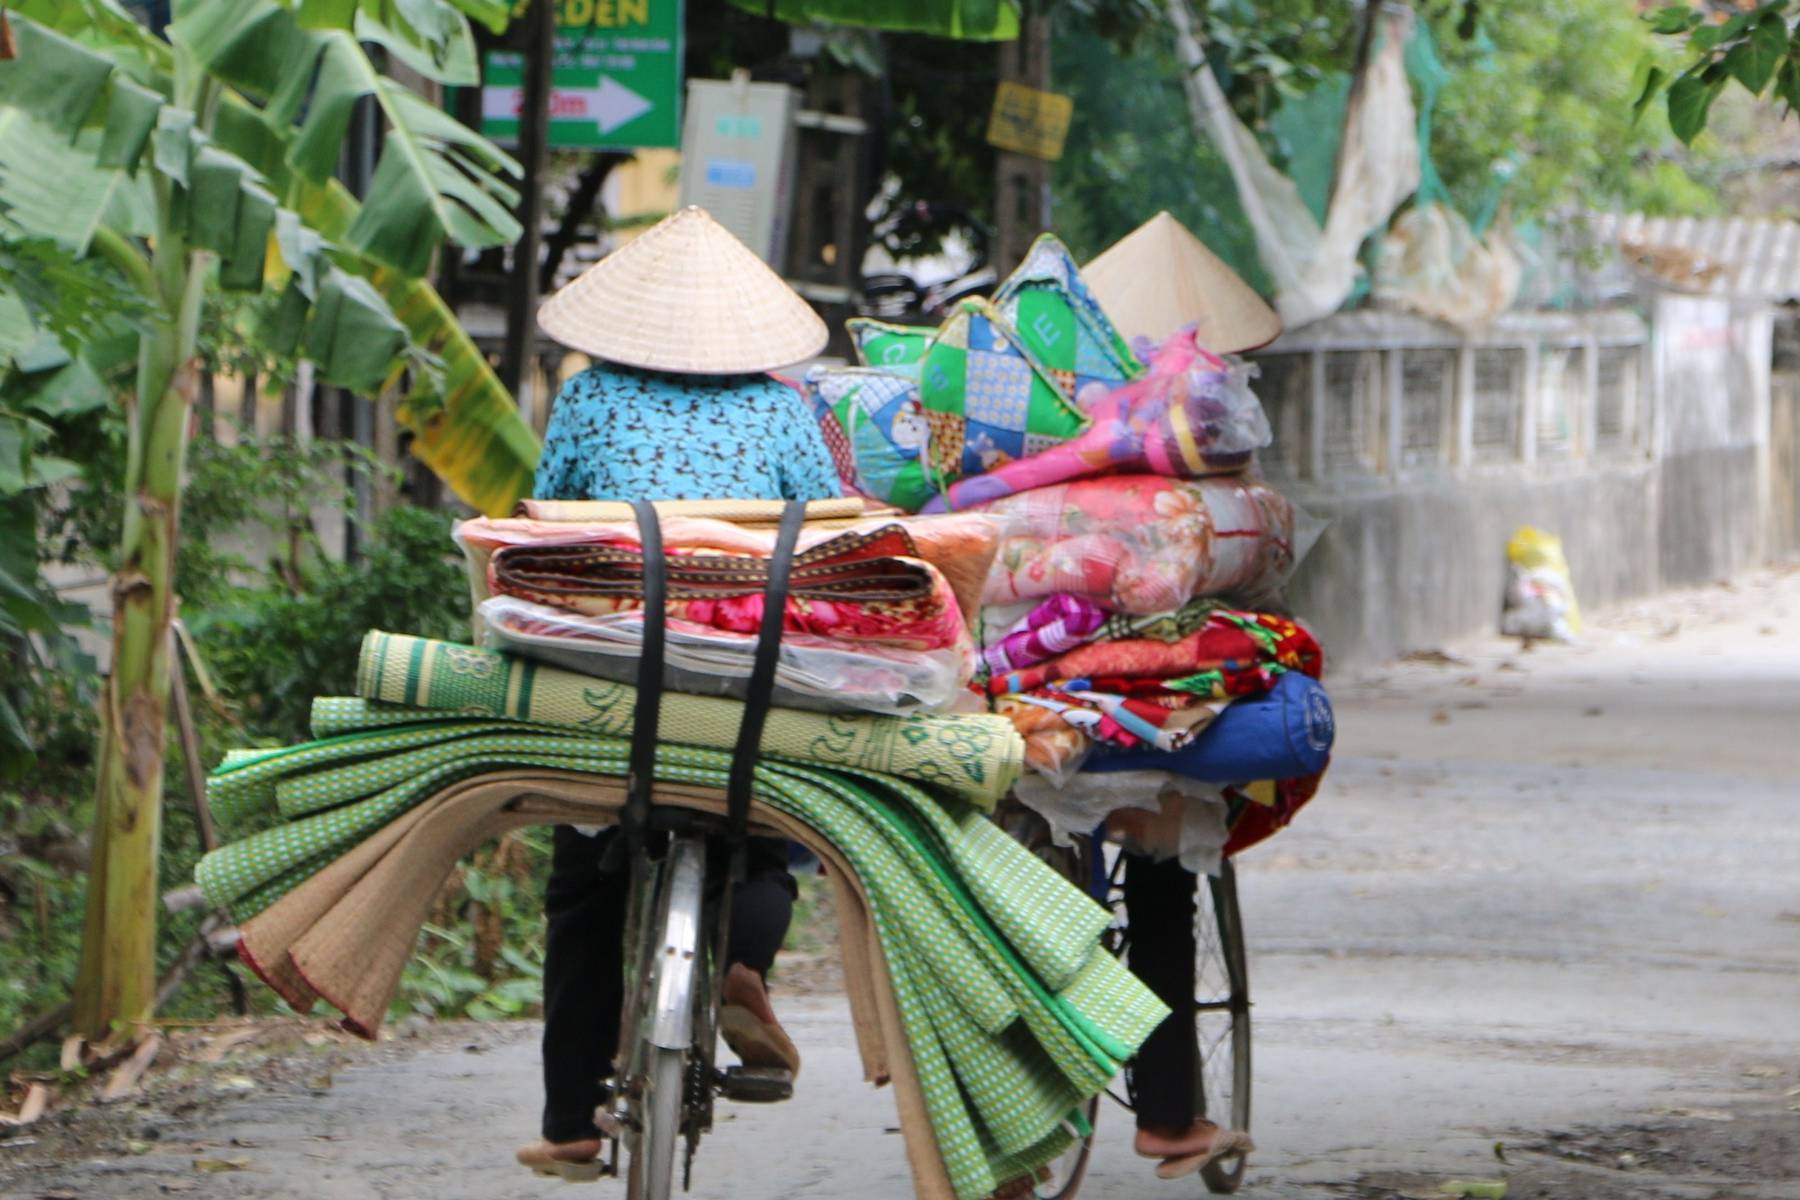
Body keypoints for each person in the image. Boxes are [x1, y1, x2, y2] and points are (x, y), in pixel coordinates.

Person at [512, 207, 842, 1179]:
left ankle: (573, 1120)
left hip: (611, 665)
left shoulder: (587, 398)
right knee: (766, 836)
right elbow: (830, 534)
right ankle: (741, 963)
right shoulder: (785, 406)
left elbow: (543, 519)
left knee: (581, 883)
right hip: (746, 668)